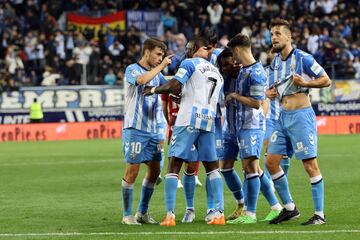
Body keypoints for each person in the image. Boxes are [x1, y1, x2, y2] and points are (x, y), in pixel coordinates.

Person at [143, 36, 224, 226]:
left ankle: (170, 215)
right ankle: (218, 213)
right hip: (209, 120)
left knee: (174, 165)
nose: (186, 52)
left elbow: (175, 85)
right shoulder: (216, 72)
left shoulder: (189, 63)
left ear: (194, 47)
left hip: (188, 119)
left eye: (188, 48)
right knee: (212, 167)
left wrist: (153, 90)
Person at [265, 19, 331, 225]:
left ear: (288, 37)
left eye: (277, 33)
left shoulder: (303, 58)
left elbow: (326, 79)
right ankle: (290, 208)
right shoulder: (275, 62)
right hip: (282, 118)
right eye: (271, 34)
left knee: (309, 165)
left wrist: (306, 82)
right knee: (270, 162)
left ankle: (319, 215)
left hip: (301, 116)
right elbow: (272, 88)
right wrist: (269, 93)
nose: (273, 37)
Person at [225, 33, 278, 224]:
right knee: (250, 167)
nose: (233, 57)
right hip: (243, 125)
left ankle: (251, 213)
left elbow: (256, 103)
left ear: (238, 50)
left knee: (250, 168)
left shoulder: (255, 72)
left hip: (252, 125)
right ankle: (275, 206)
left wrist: (235, 96)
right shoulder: (245, 69)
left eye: (233, 53)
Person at [121, 38, 173, 225]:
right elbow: (142, 80)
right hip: (135, 129)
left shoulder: (157, 75)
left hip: (153, 131)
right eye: (158, 54)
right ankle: (127, 215)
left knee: (154, 171)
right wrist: (162, 67)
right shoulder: (132, 69)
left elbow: (164, 92)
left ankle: (142, 212)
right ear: (147, 52)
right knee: (132, 171)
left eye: (162, 55)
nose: (161, 59)